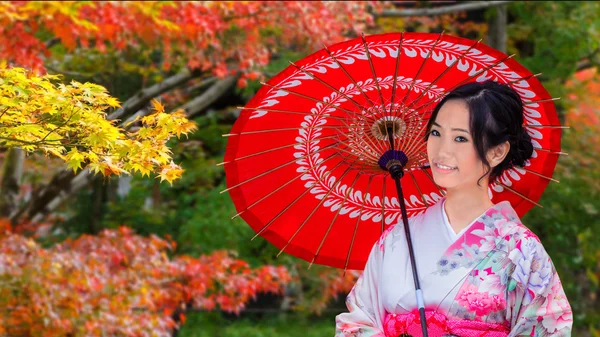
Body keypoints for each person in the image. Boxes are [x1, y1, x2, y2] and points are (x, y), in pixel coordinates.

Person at [334, 80, 573, 337]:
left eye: (460, 138)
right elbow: (356, 322)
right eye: (436, 133)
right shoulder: (396, 238)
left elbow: (548, 329)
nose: (442, 151)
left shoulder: (520, 250)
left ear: (497, 152)